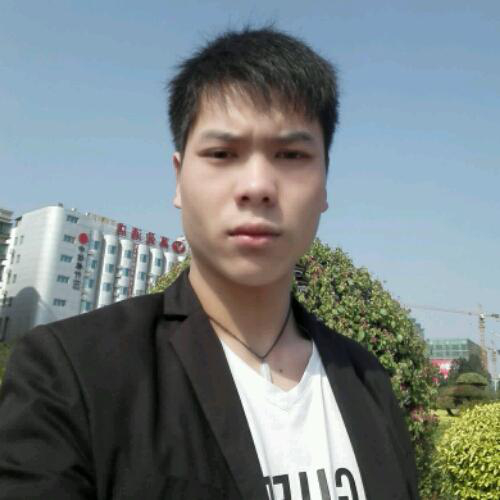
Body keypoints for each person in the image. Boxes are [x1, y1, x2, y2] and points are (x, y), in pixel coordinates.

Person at [0, 27, 418, 499]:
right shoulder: (73, 374)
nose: (257, 186)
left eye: (291, 154)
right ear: (179, 179)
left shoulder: (368, 380)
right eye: (222, 154)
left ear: (324, 185)